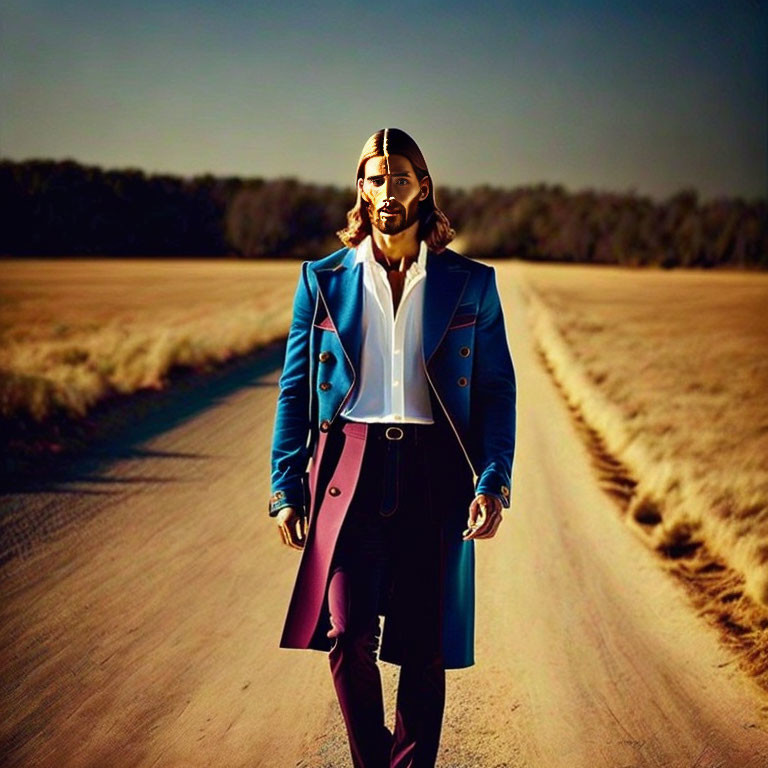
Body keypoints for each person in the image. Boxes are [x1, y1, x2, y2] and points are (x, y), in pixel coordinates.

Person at [268, 127, 517, 768]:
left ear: (423, 187)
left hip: (436, 473)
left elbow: (495, 390)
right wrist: (283, 484)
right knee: (347, 633)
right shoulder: (322, 280)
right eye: (375, 178)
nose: (387, 190)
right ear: (361, 188)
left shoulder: (471, 283)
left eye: (400, 178)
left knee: (423, 644)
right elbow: (295, 389)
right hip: (349, 467)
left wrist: (493, 480)